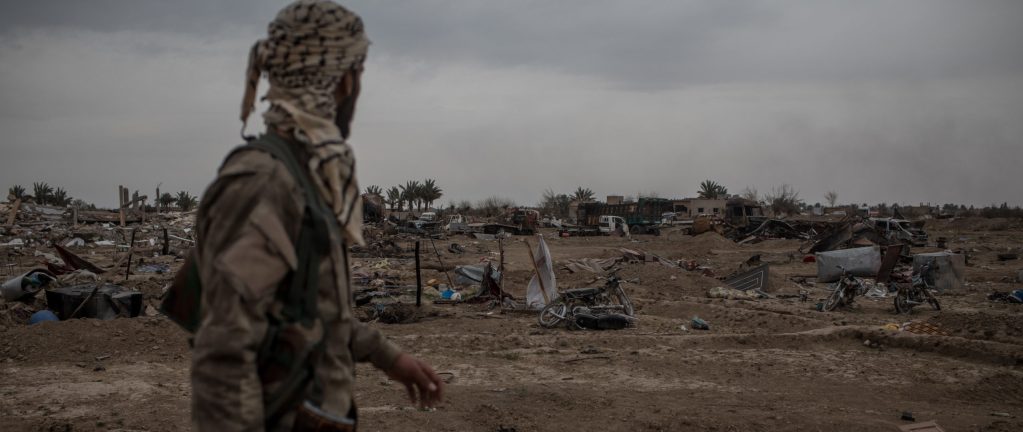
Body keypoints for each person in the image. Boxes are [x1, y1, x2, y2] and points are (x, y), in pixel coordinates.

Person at [189, 1, 443, 430]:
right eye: (358, 74)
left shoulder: (308, 178)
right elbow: (222, 356)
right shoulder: (266, 184)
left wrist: (387, 356)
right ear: (343, 80)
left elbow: (316, 313)